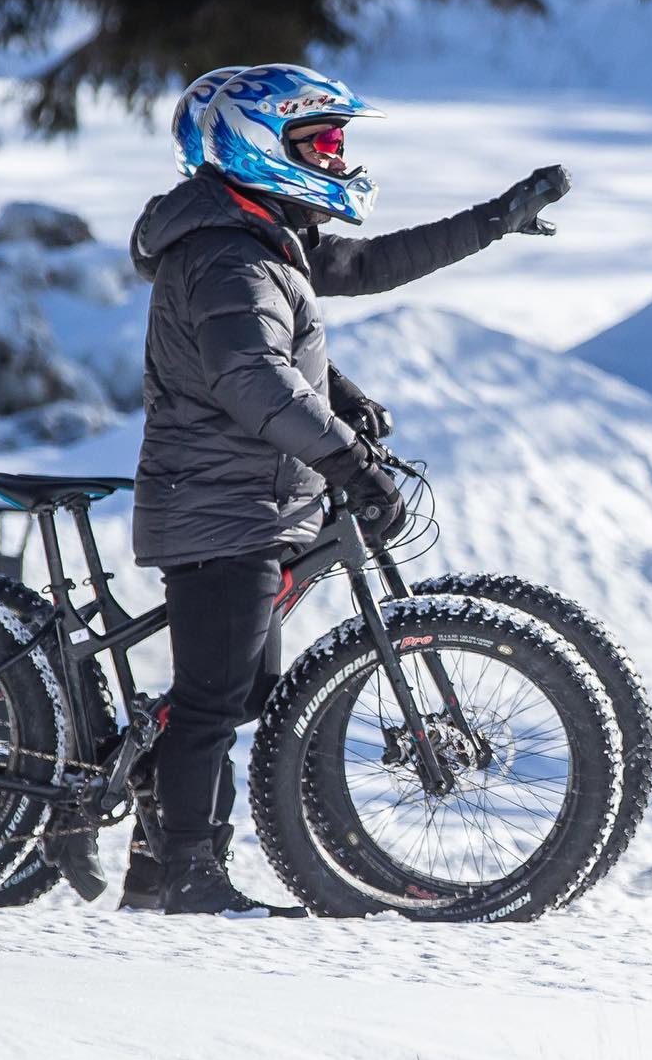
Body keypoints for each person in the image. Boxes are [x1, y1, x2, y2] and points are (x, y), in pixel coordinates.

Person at [127, 63, 569, 916]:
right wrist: (349, 462)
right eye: (320, 141)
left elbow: (366, 266)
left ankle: (156, 860)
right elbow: (251, 377)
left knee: (234, 695)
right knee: (212, 701)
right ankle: (184, 877)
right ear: (255, 144)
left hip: (247, 502)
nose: (335, 157)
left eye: (335, 141)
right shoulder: (226, 255)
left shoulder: (257, 236)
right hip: (221, 507)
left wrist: (493, 220)